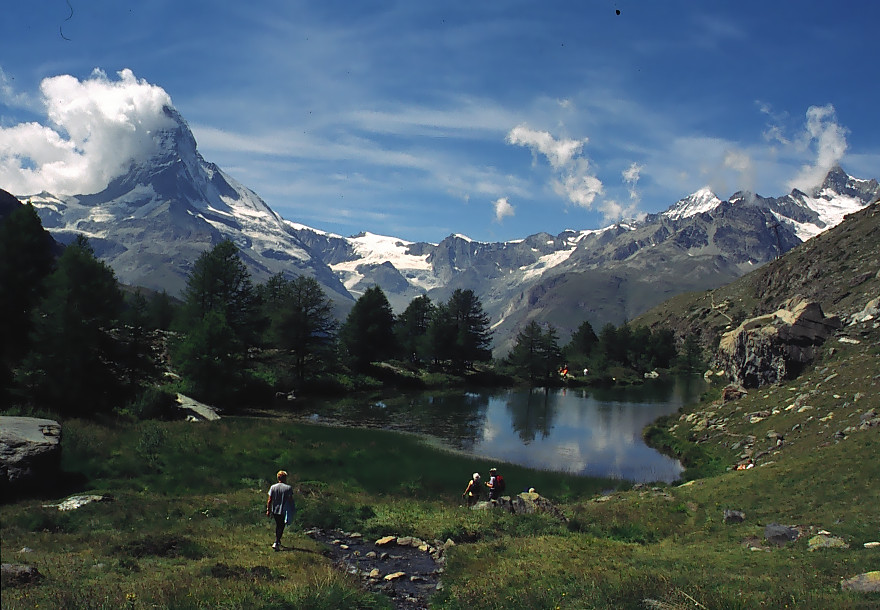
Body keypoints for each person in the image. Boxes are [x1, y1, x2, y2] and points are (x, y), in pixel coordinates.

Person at [266, 470, 294, 551]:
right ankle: (276, 541)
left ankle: (278, 540)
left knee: (278, 525)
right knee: (281, 526)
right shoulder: (288, 488)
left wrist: (268, 509)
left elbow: (269, 500)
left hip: (275, 509)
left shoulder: (273, 487)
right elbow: (290, 499)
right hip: (284, 510)